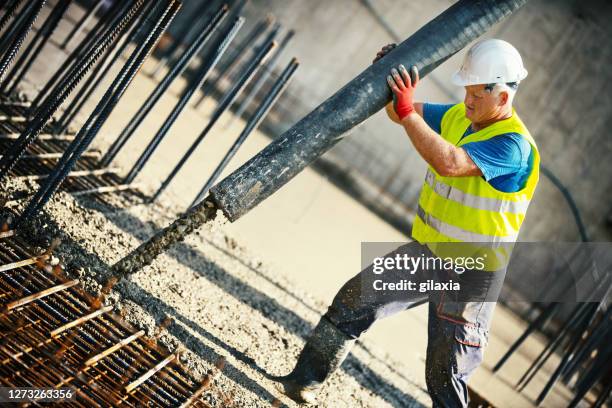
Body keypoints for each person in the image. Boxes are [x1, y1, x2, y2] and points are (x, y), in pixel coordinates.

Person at [275, 39, 540, 407]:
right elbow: (400, 113)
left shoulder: (513, 146)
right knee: (353, 301)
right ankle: (301, 383)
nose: (467, 101)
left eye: (477, 94)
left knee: (445, 375)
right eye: (467, 91)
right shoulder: (459, 117)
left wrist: (406, 111)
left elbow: (450, 162)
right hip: (429, 254)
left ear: (503, 96)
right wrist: (390, 77)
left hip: (471, 272)